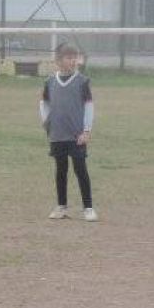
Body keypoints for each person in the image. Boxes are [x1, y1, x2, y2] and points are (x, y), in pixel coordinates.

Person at [40, 42, 98, 222]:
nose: (73, 61)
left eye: (75, 58)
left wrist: (86, 130)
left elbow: (89, 106)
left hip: (77, 135)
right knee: (60, 170)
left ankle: (88, 208)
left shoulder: (82, 82)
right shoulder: (49, 82)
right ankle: (61, 206)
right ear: (58, 61)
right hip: (58, 135)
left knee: (80, 169)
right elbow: (44, 104)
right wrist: (47, 124)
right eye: (69, 58)